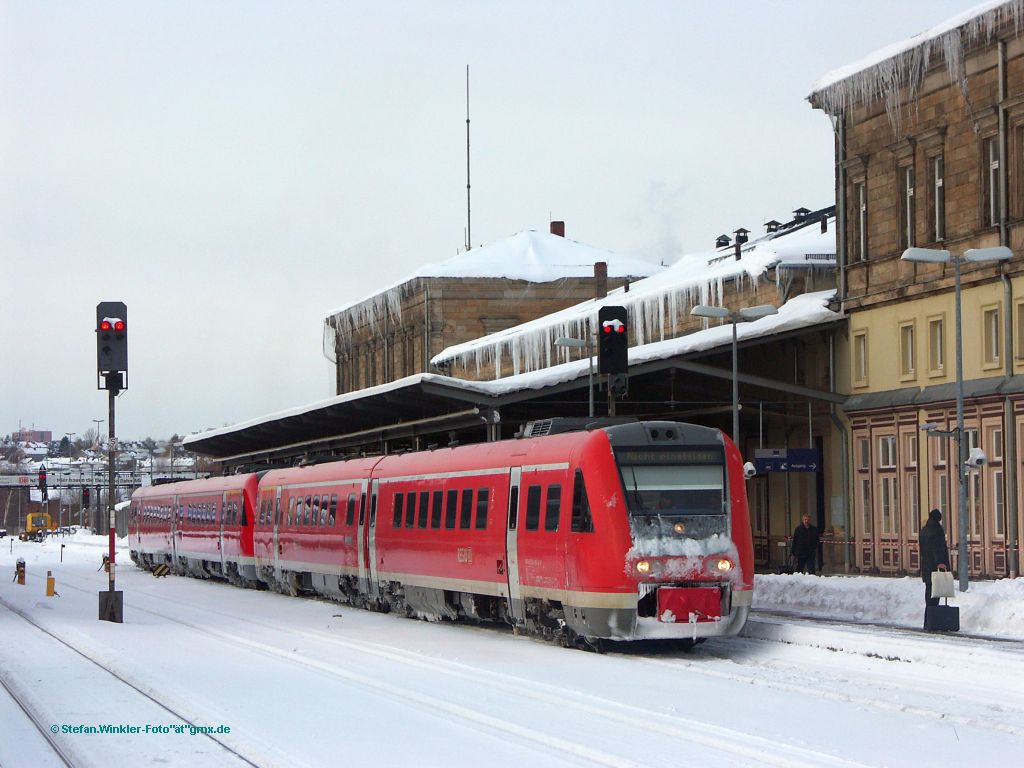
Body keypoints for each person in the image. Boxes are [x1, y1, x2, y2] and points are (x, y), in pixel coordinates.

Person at [919, 508, 950, 607]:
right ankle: (933, 618)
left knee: (928, 593)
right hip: (935, 568)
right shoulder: (937, 530)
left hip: (926, 567)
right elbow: (938, 548)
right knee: (935, 596)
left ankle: (928, 619)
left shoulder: (923, 530)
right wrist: (940, 563)